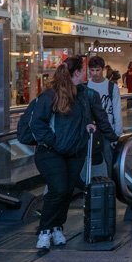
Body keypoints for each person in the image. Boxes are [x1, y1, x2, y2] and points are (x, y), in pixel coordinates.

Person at [28, 57, 101, 249]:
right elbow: (37, 123)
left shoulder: (81, 95)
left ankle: (57, 226)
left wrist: (87, 126)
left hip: (74, 151)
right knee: (58, 189)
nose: (86, 74)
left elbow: (81, 120)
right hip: (51, 152)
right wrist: (54, 142)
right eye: (83, 70)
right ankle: (45, 230)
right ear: (76, 72)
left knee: (68, 190)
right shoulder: (50, 96)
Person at [87, 56, 122, 171]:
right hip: (91, 130)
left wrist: (117, 133)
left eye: (98, 70)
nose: (95, 73)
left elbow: (117, 110)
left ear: (103, 69)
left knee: (109, 161)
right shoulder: (86, 87)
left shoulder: (112, 87)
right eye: (92, 70)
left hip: (108, 130)